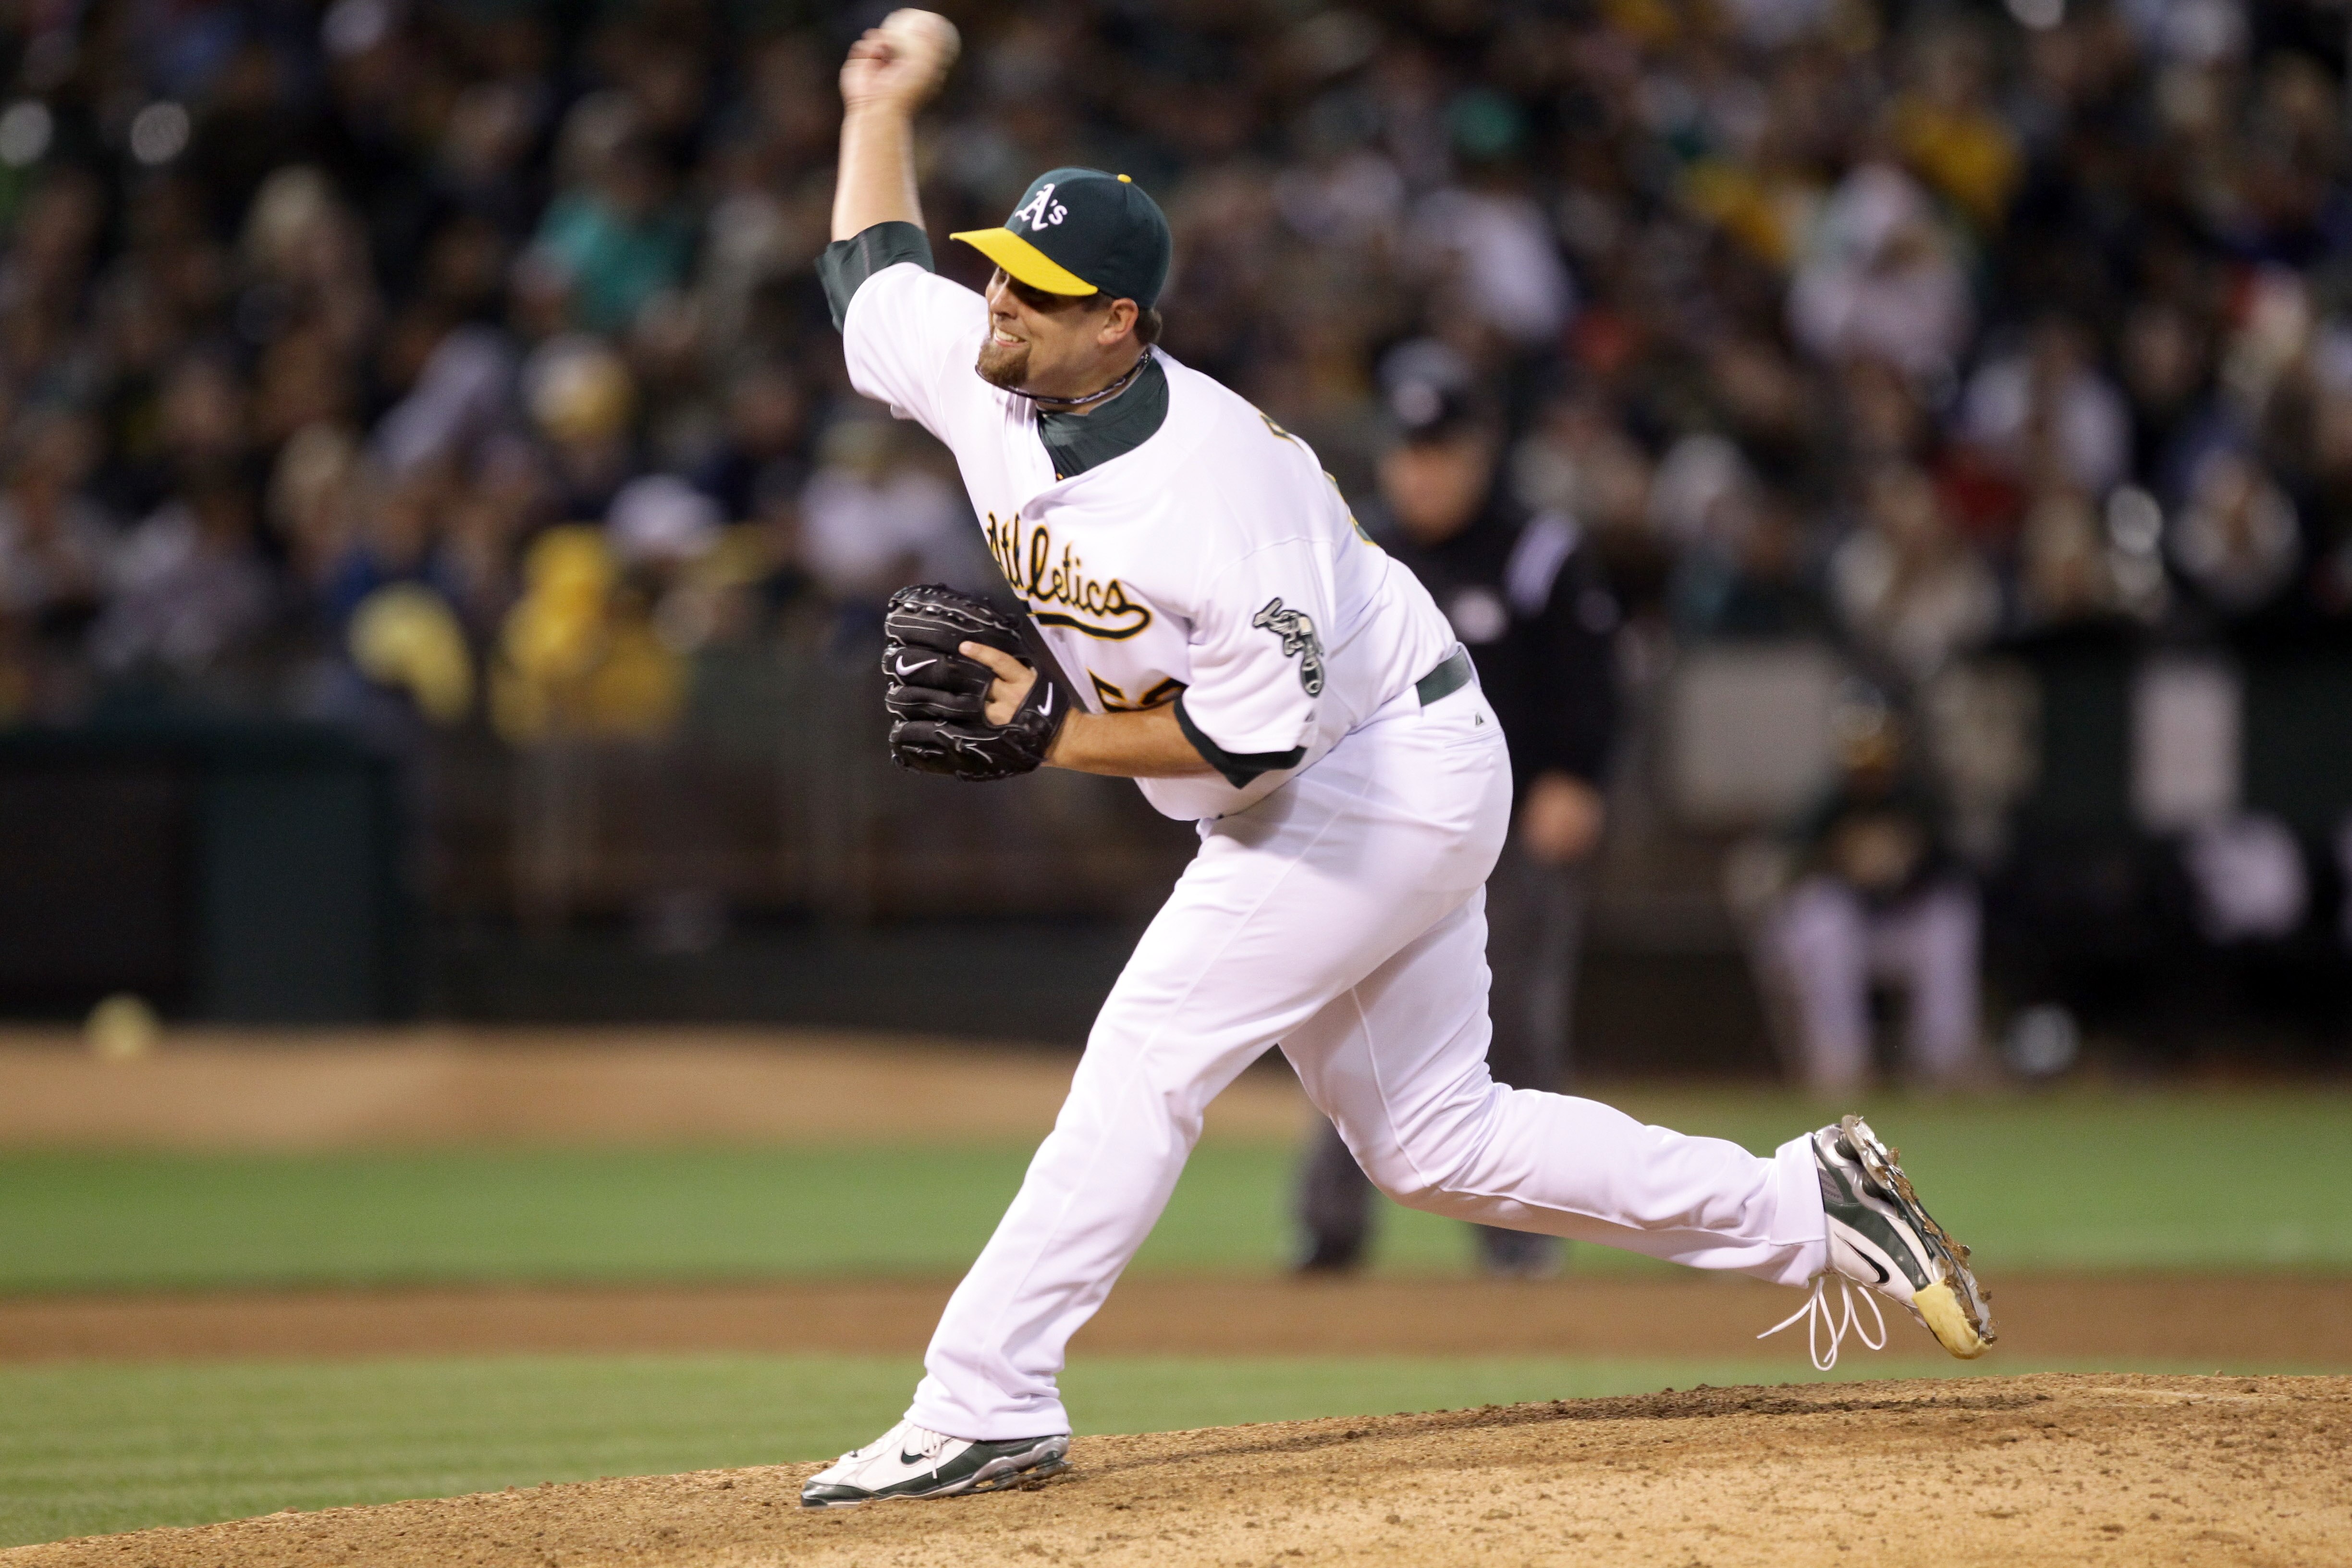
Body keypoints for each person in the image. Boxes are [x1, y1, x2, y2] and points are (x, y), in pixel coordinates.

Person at [799, 12, 1994, 1509]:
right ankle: (1810, 1203)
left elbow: (1249, 741)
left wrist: (1049, 732)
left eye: (1036, 289)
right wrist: (879, 102)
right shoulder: (991, 362)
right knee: (1434, 1139)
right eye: (998, 268)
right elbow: (864, 273)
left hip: (1376, 772)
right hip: (1346, 763)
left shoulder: (1210, 495)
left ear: (1122, 321)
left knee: (1150, 1053)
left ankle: (986, 1396)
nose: (998, 300)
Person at [1293, 377, 1617, 1278]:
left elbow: (1594, 680)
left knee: (1512, 1024)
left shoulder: (1535, 550)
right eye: (1408, 453)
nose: (1422, 472)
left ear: (1477, 453)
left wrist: (1577, 778)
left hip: (1510, 832)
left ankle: (1520, 1238)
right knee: (1343, 1024)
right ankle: (1329, 1232)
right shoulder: (1365, 551)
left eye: (1439, 452)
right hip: (1379, 832)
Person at [1754, 699, 1984, 1091]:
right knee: (1824, 919)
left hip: (1900, 928)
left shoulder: (1917, 800)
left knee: (1950, 918)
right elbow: (1783, 868)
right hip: (1843, 938)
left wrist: (1908, 860)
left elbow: (1961, 867)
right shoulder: (1827, 804)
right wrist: (1841, 860)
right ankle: (1841, 1063)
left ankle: (1944, 1060)